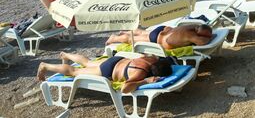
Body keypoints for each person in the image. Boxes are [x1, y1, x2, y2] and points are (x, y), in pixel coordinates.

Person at [36, 52, 172, 93]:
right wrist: (146, 81)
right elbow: (125, 88)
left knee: (87, 62)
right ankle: (45, 66)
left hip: (117, 60)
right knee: (74, 71)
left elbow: (160, 57)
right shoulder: (140, 73)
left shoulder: (151, 59)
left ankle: (65, 55)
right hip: (108, 70)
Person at [105, 24, 213, 50]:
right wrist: (208, 37)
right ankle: (114, 38)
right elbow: (202, 42)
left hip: (163, 30)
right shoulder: (191, 35)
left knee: (142, 33)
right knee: (132, 40)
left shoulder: (191, 26)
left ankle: (127, 31)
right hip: (158, 39)